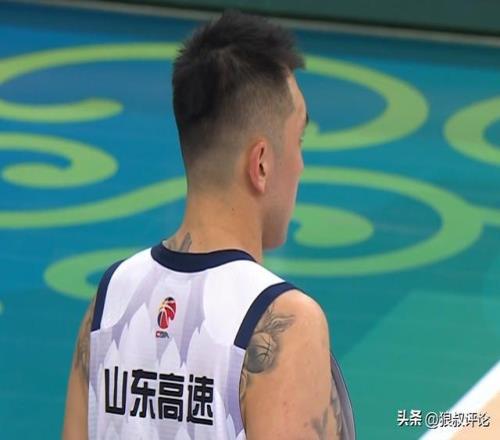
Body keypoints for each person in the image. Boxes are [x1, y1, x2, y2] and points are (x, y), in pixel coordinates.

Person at [63, 9, 355, 440]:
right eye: (298, 141)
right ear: (261, 163)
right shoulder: (285, 321)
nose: (301, 164)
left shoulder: (107, 302)